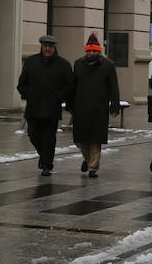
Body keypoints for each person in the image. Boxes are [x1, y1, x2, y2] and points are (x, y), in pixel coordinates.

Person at [16, 35, 74, 176]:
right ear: (41, 46)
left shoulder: (63, 64)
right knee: (33, 135)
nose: (47, 49)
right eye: (45, 46)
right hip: (34, 107)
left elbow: (69, 86)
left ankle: (47, 165)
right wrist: (28, 94)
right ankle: (44, 157)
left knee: (49, 138)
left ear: (54, 47)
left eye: (50, 46)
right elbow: (21, 84)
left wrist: (58, 97)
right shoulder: (31, 62)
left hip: (51, 108)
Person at [67, 33, 119, 179]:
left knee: (95, 140)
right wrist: (69, 104)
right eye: (89, 51)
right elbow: (73, 86)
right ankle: (87, 159)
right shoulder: (78, 64)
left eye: (94, 51)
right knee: (80, 140)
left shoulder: (108, 66)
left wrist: (114, 107)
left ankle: (93, 167)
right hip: (80, 107)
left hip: (99, 109)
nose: (91, 53)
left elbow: (114, 88)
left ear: (99, 51)